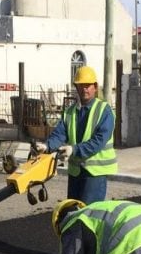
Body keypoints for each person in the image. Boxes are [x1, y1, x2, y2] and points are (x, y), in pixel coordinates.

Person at [42, 65, 117, 204]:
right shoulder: (70, 112)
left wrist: (74, 149)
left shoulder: (104, 111)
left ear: (95, 87)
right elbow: (59, 134)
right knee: (73, 213)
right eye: (81, 85)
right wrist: (46, 146)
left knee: (88, 214)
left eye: (88, 85)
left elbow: (98, 141)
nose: (84, 89)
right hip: (76, 172)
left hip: (95, 173)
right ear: (76, 88)